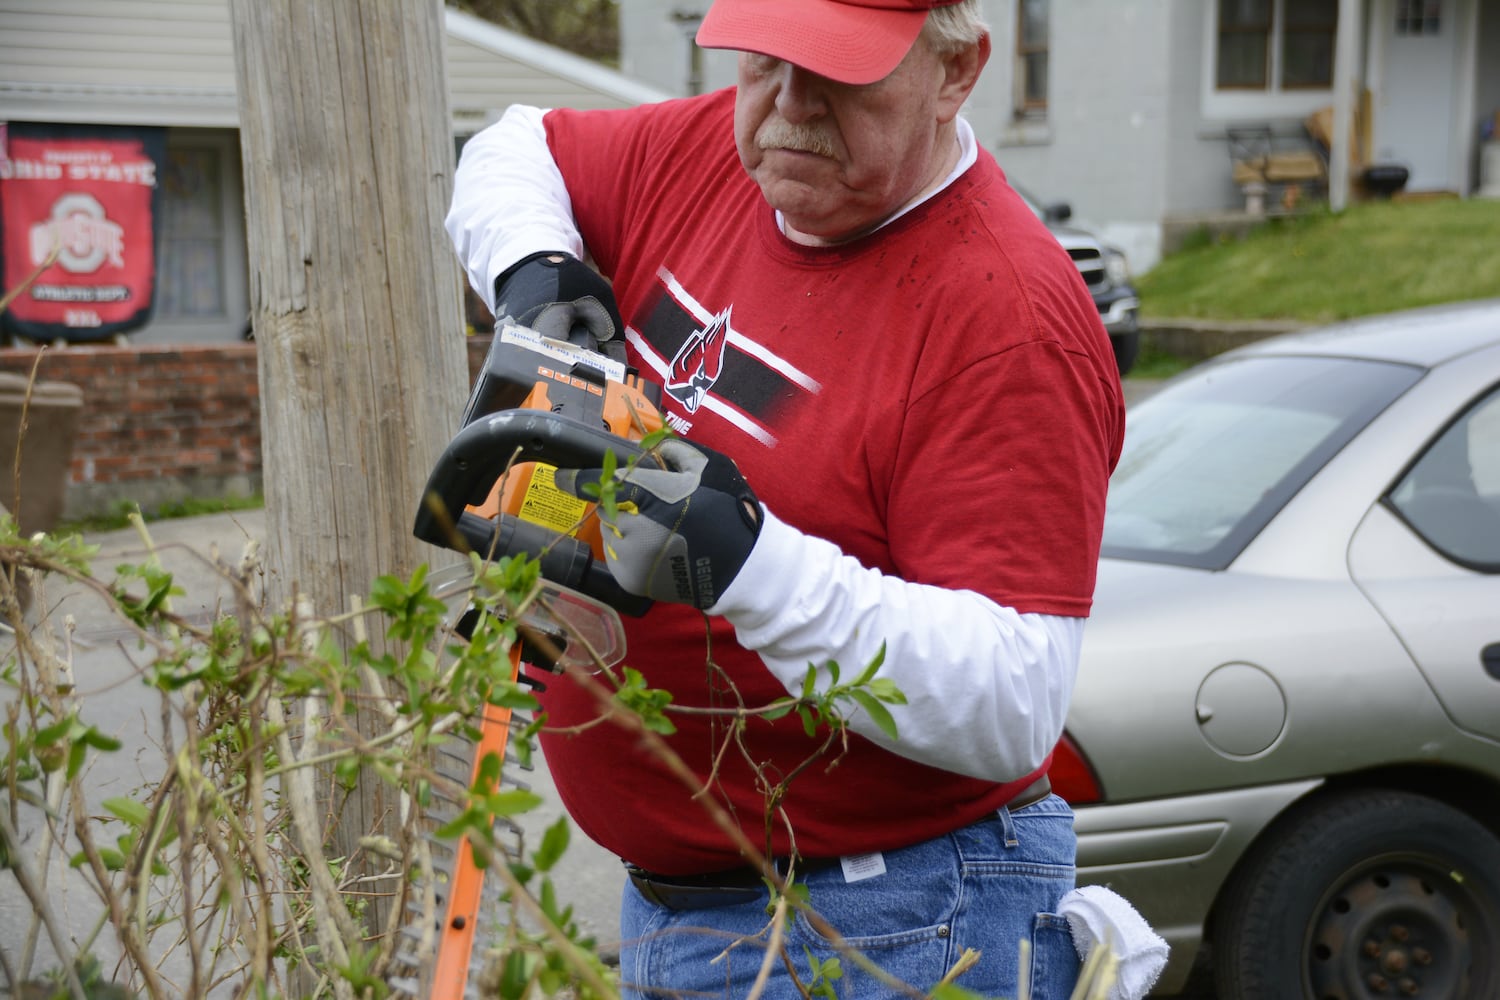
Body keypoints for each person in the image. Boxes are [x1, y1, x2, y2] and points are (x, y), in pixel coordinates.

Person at [444, 0, 1125, 996]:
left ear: (956, 72)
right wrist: (536, 272)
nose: (788, 110)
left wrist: (751, 564)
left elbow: (1015, 701)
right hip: (675, 908)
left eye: (839, 74)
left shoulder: (1005, 318)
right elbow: (512, 145)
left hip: (885, 921)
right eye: (764, 62)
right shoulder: (718, 152)